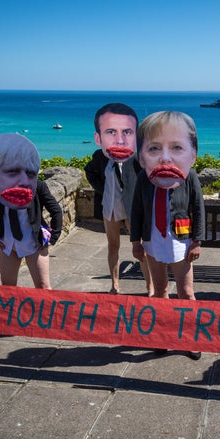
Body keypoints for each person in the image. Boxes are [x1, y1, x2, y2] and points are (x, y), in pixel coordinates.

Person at [130, 111, 205, 360]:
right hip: (153, 241)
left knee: (186, 291)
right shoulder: (144, 178)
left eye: (176, 147)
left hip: (181, 240)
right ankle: (163, 335)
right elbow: (137, 209)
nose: (165, 156)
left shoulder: (189, 176)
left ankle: (190, 338)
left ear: (192, 154)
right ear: (142, 156)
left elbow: (198, 207)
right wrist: (135, 241)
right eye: (153, 148)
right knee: (160, 290)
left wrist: (197, 240)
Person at [84, 103, 153, 296]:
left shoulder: (137, 158)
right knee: (113, 245)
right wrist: (101, 188)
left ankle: (150, 287)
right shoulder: (100, 157)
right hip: (110, 206)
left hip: (132, 208)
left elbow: (147, 179)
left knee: (140, 247)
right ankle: (115, 285)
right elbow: (89, 171)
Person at [0, 133, 63, 289]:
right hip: (8, 243)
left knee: (43, 287)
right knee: (8, 288)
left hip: (34, 242)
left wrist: (52, 237)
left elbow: (56, 211)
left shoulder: (38, 186)